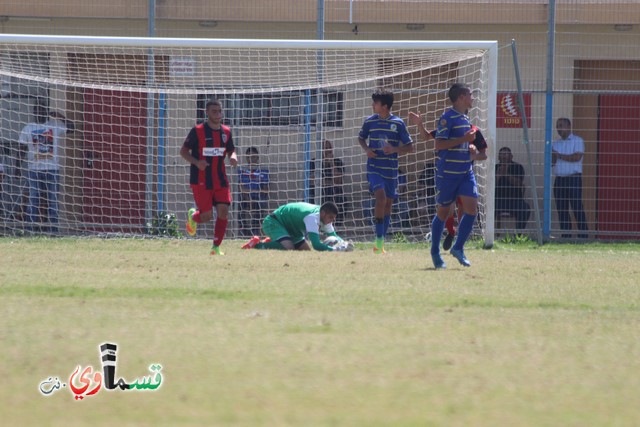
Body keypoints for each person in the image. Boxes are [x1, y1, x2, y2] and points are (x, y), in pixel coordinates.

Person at [421, 82, 479, 269]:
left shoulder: (464, 118)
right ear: (461, 97)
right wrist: (464, 139)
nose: (473, 98)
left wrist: (471, 147)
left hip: (465, 172)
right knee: (444, 213)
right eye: (470, 94)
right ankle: (435, 252)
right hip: (448, 174)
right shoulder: (447, 118)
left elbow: (464, 143)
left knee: (471, 209)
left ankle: (458, 248)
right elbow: (439, 145)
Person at [409, 113, 487, 251]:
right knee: (447, 210)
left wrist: (473, 155)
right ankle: (451, 232)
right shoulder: (447, 129)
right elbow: (427, 137)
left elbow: (483, 154)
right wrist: (419, 124)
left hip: (464, 176)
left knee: (465, 211)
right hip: (447, 175)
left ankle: (459, 244)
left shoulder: (474, 131)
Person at [358, 88, 413, 254]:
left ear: (385, 106)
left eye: (375, 102)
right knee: (380, 198)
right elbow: (361, 138)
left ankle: (380, 242)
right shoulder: (369, 121)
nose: (373, 105)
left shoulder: (398, 123)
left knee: (388, 204)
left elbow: (410, 146)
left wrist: (394, 149)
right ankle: (378, 240)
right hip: (374, 167)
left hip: (391, 170)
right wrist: (367, 149)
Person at [181, 99, 238, 255]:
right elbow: (183, 151)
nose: (218, 114)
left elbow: (231, 150)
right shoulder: (197, 131)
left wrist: (233, 157)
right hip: (201, 180)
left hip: (220, 179)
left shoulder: (226, 132)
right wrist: (197, 162)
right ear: (207, 113)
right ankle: (194, 216)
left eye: (220, 111)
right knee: (206, 216)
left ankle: (216, 247)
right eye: (214, 111)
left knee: (223, 212)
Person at [18, 103, 73, 232]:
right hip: (34, 170)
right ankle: (30, 230)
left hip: (52, 169)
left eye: (42, 110)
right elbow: (21, 149)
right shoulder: (28, 128)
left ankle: (53, 231)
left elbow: (72, 128)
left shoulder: (54, 126)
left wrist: (60, 117)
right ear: (33, 112)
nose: (39, 113)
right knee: (33, 199)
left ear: (46, 112)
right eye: (36, 110)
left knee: (53, 200)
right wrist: (17, 167)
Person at [241, 201, 346, 251]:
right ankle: (256, 245)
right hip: (274, 222)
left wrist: (344, 244)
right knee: (289, 247)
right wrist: (335, 250)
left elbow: (333, 235)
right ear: (323, 213)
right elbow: (317, 245)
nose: (332, 221)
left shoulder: (324, 217)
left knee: (305, 250)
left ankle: (271, 241)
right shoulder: (312, 218)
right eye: (331, 217)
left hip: (292, 228)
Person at [552, 117, 588, 238]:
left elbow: (576, 157)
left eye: (561, 125)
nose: (559, 129)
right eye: (557, 126)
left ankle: (583, 236)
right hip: (559, 180)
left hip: (573, 179)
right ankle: (566, 236)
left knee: (577, 207)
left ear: (568, 126)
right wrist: (551, 155)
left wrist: (559, 156)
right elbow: (552, 162)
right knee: (562, 209)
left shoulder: (577, 141)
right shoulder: (555, 143)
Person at [495, 146, 531, 233]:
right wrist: (498, 176)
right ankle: (485, 235)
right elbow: (489, 185)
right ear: (498, 157)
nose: (503, 156)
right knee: (482, 209)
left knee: (525, 209)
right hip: (497, 201)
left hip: (515, 200)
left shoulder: (517, 167)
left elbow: (519, 184)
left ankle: (518, 236)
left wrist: (506, 174)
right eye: (501, 154)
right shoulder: (494, 167)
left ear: (511, 156)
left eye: (506, 154)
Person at [238, 146, 269, 237]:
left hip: (258, 197)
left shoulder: (263, 171)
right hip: (245, 197)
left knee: (259, 206)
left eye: (253, 157)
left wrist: (252, 191)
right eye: (248, 157)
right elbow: (241, 189)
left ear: (258, 157)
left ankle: (255, 231)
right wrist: (248, 195)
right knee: (238, 205)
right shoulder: (242, 171)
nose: (251, 159)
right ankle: (244, 231)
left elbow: (266, 190)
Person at [321, 140, 347, 226]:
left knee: (342, 198)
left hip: (334, 191)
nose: (328, 150)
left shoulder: (338, 162)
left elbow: (338, 181)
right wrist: (324, 164)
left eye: (330, 148)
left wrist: (332, 164)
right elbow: (312, 181)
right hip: (320, 191)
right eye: (326, 148)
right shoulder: (315, 162)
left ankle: (338, 226)